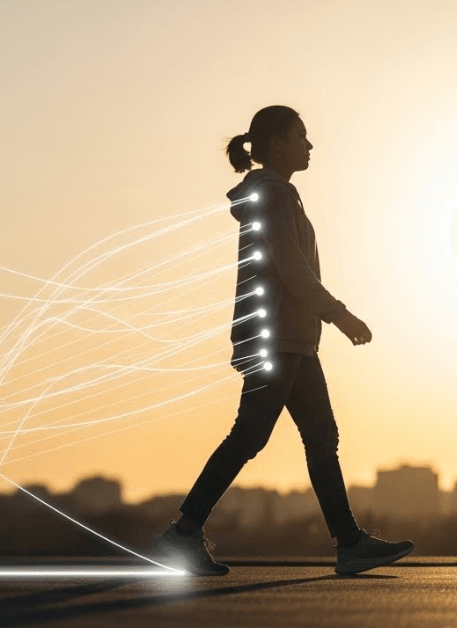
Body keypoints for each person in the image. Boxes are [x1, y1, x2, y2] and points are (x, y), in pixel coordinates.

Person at [151, 105, 414, 576]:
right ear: (276, 144)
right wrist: (339, 315)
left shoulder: (279, 194)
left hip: (291, 341)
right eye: (301, 136)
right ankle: (183, 533)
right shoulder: (274, 195)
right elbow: (293, 269)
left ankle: (349, 543)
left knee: (320, 438)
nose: (309, 145)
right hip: (275, 340)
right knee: (250, 435)